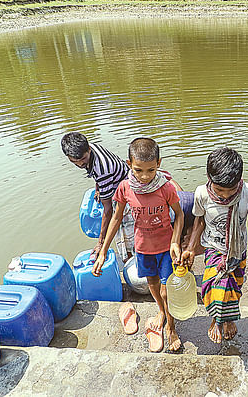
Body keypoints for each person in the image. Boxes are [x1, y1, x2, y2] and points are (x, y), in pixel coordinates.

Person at [93, 137, 185, 353]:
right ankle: (162, 312)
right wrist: (103, 251)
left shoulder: (166, 188)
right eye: (139, 170)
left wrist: (175, 241)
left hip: (165, 248)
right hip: (142, 247)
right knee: (152, 283)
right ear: (129, 164)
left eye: (151, 170)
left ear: (159, 164)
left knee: (166, 291)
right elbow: (115, 219)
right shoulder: (125, 188)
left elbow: (179, 215)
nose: (145, 177)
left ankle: (171, 327)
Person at [182, 148, 248, 343]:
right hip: (213, 248)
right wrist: (190, 248)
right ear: (209, 178)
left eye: (230, 190)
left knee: (234, 288)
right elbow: (199, 221)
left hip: (238, 251)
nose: (224, 196)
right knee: (215, 288)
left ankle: (228, 319)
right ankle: (216, 319)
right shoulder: (202, 193)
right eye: (220, 190)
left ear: (240, 179)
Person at [61, 132, 135, 261]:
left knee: (124, 232)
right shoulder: (89, 149)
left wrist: (101, 242)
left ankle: (130, 258)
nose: (79, 164)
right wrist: (99, 188)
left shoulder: (103, 170)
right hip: (116, 176)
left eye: (83, 159)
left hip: (126, 187)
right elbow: (96, 173)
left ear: (88, 149)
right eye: (74, 161)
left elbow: (108, 210)